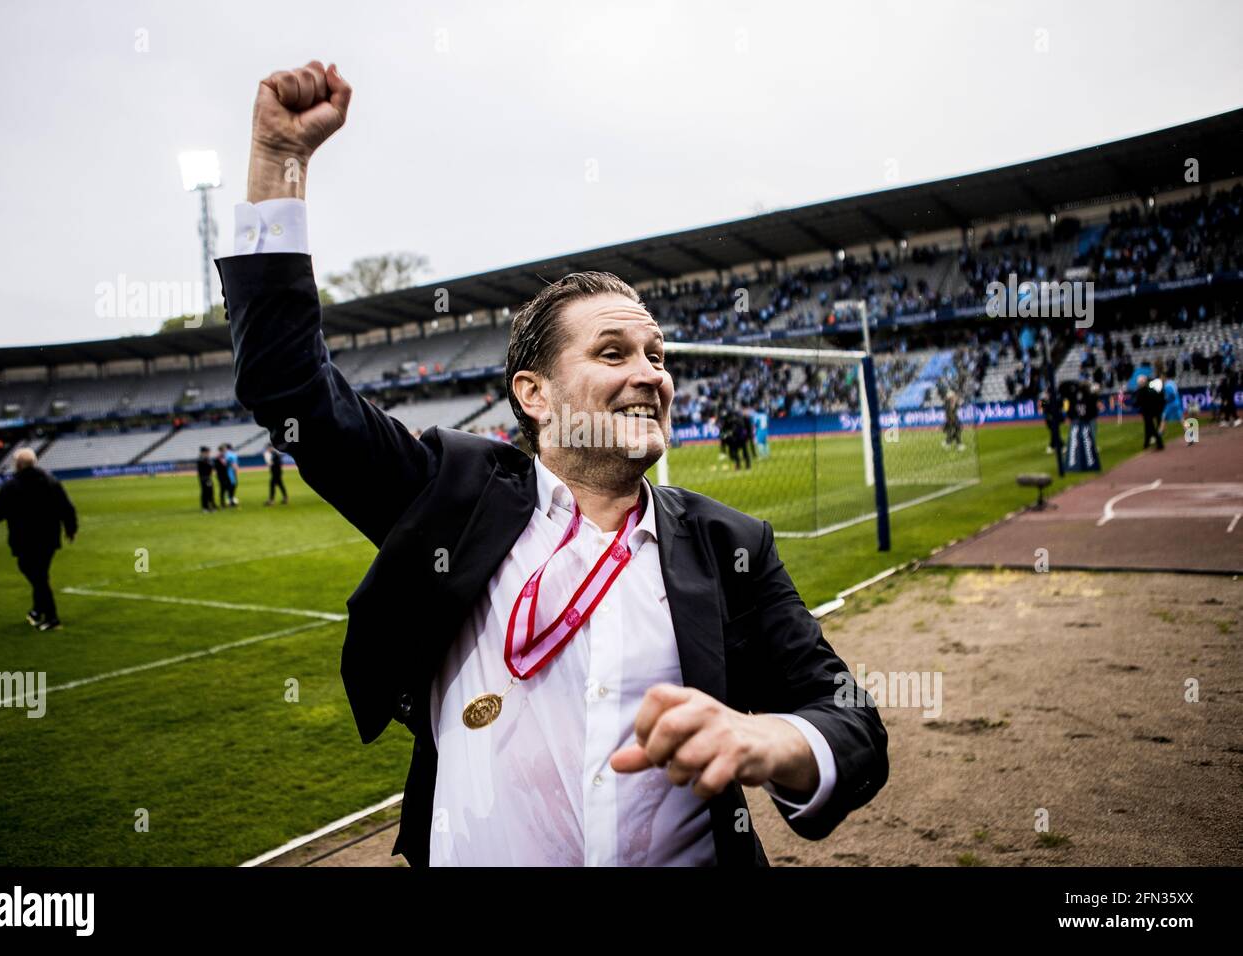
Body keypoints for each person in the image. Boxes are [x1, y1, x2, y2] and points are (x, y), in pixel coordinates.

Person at [217, 60, 887, 868]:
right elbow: (287, 383)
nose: (650, 373)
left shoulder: (727, 545)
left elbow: (851, 722)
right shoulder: (448, 499)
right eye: (613, 352)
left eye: (657, 353)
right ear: (533, 393)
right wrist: (279, 163)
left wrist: (768, 738)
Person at [0, 448, 77, 631]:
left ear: (18, 465)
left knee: (35, 575)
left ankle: (52, 617)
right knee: (40, 574)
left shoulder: (13, 485)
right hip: (49, 538)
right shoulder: (51, 481)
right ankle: (37, 610)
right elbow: (66, 507)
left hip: (24, 539)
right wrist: (71, 529)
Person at [1133, 375, 1165, 450]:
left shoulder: (1141, 391)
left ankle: (1159, 444)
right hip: (1153, 411)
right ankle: (1146, 444)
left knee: (1151, 428)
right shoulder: (1150, 389)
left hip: (1147, 412)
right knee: (1148, 428)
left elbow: (1137, 403)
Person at [197, 446, 217, 512]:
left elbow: (212, 466)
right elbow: (211, 465)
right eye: (207, 452)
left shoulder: (205, 459)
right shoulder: (202, 459)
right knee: (207, 492)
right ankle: (207, 507)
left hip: (206, 477)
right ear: (204, 452)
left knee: (208, 492)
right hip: (205, 478)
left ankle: (209, 506)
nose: (209, 453)